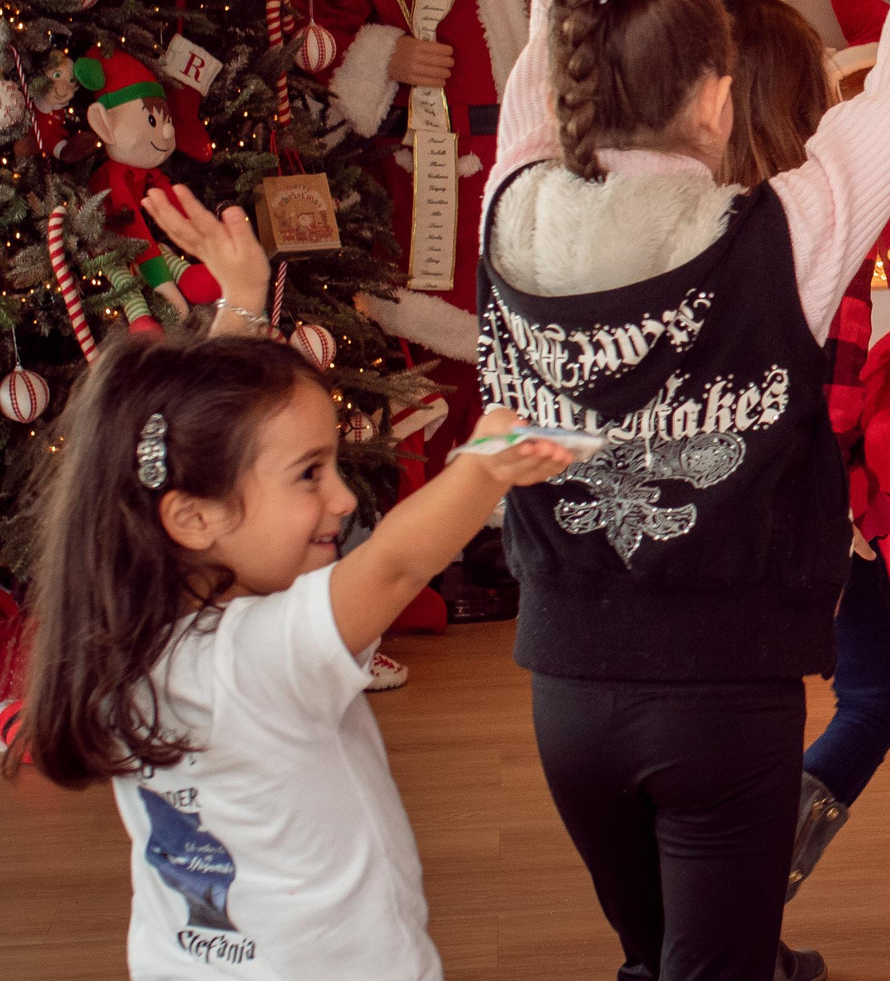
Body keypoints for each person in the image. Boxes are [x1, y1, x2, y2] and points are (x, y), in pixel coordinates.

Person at [477, 0, 890, 981]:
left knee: (652, 959)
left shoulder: (510, 201)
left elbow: (535, 68)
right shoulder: (785, 234)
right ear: (718, 97)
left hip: (563, 686)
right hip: (726, 696)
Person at [3, 185, 574, 981]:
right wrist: (485, 466)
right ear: (192, 517)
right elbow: (398, 565)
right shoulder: (260, 654)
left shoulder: (122, 631)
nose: (343, 498)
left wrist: (240, 307)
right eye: (311, 474)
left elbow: (215, 455)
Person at [714, 0, 890, 901]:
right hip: (812, 515)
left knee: (727, 725)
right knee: (871, 696)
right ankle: (749, 891)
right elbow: (829, 403)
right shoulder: (827, 223)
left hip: (707, 515)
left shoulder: (684, 225)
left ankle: (729, 901)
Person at [308, 0, 539, 403]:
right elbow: (311, 49)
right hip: (424, 179)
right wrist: (385, 55)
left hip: (522, 168)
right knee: (432, 347)